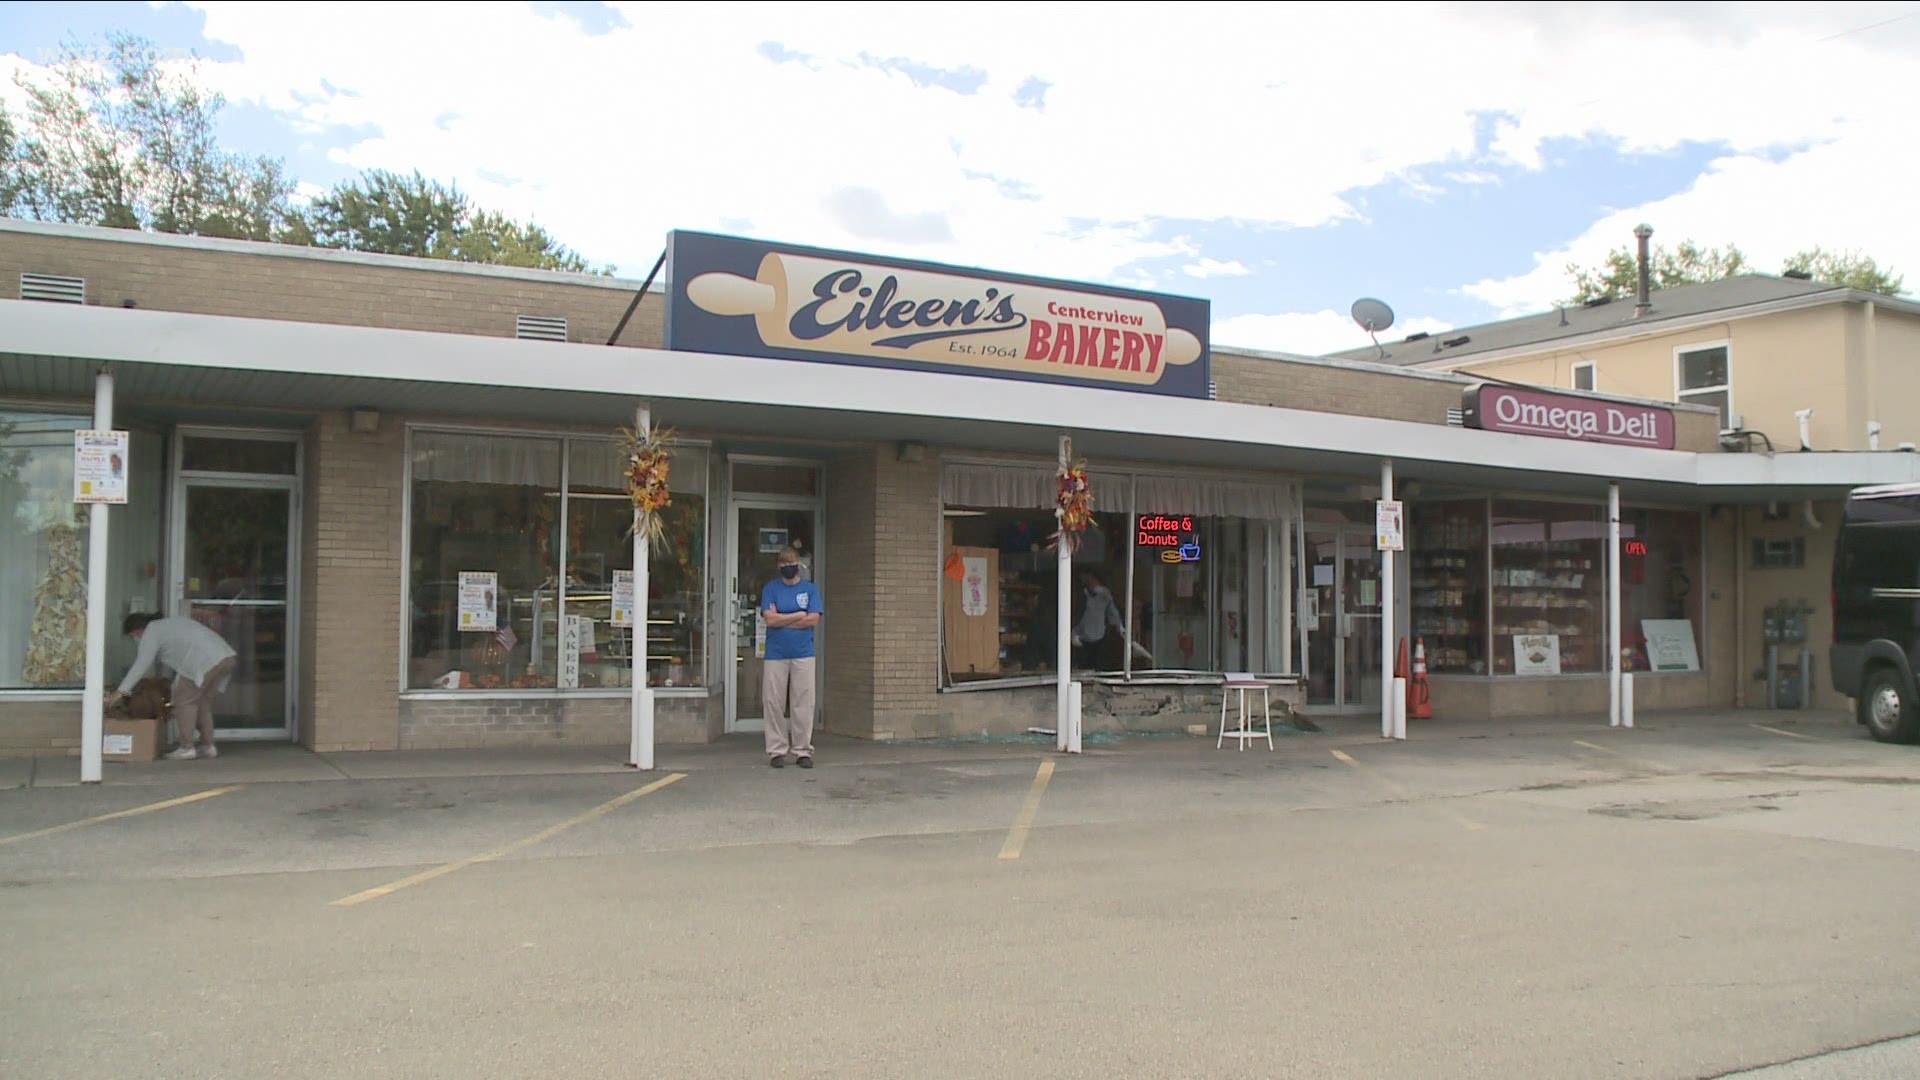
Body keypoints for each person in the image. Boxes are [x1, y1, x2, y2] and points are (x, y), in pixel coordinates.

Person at [106, 612, 238, 761]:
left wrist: (120, 692)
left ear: (137, 630)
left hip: (204, 662)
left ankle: (186, 748)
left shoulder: (152, 631)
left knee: (184, 702)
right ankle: (208, 747)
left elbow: (142, 663)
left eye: (134, 635)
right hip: (225, 657)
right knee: (202, 704)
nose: (136, 639)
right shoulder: (170, 624)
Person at [760, 546, 823, 769]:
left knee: (803, 702)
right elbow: (770, 620)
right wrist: (798, 615)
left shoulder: (811, 589)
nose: (789, 567)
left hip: (804, 653)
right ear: (779, 566)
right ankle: (777, 750)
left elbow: (813, 619)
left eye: (792, 562)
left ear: (799, 564)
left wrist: (782, 617)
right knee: (773, 702)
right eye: (784, 564)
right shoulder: (770, 589)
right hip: (775, 654)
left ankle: (802, 750)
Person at [1073, 569, 1124, 671]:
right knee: (1083, 668)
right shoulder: (1080, 594)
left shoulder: (1104, 594)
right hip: (1081, 638)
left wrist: (1119, 627)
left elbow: (1112, 612)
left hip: (1099, 637)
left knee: (1099, 667)